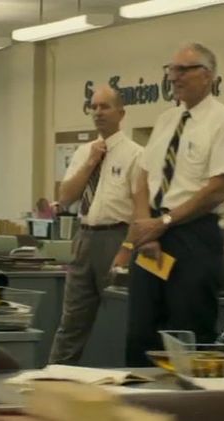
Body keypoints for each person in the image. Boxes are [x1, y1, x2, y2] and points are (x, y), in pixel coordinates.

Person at [124, 43, 224, 366]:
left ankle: (189, 406)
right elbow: (143, 181)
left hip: (192, 235)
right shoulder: (166, 120)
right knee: (141, 331)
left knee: (187, 330)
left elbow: (218, 188)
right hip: (150, 237)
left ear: (207, 75)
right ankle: (139, 405)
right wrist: (145, 229)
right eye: (170, 69)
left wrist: (163, 223)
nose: (173, 77)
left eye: (182, 70)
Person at [48, 85, 143, 366]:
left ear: (121, 113)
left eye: (105, 107)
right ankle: (53, 380)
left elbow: (141, 210)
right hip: (84, 237)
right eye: (94, 107)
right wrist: (91, 162)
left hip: (116, 239)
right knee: (71, 321)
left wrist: (127, 249)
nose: (98, 112)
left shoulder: (136, 154)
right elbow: (66, 198)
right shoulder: (83, 152)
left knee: (122, 320)